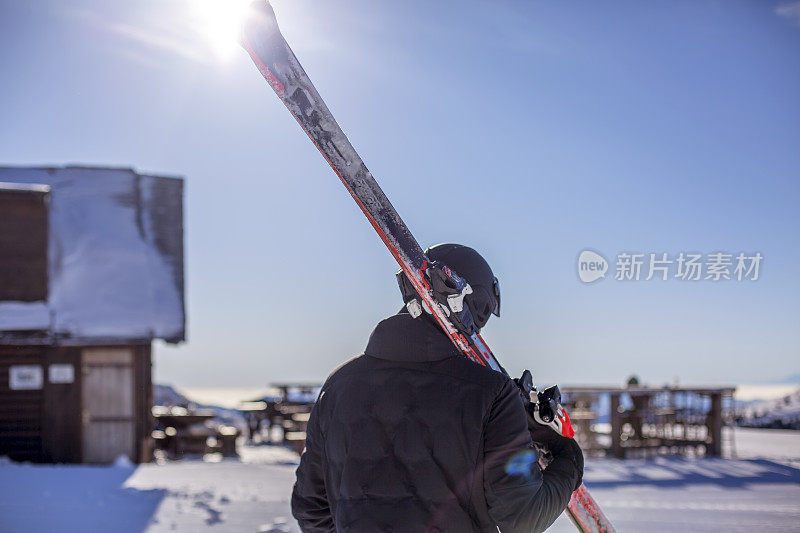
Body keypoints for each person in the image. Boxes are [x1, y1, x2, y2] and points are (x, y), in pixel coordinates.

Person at [291, 244, 583, 532]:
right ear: (472, 305)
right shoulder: (491, 394)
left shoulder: (338, 387)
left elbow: (311, 507)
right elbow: (523, 516)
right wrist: (566, 455)